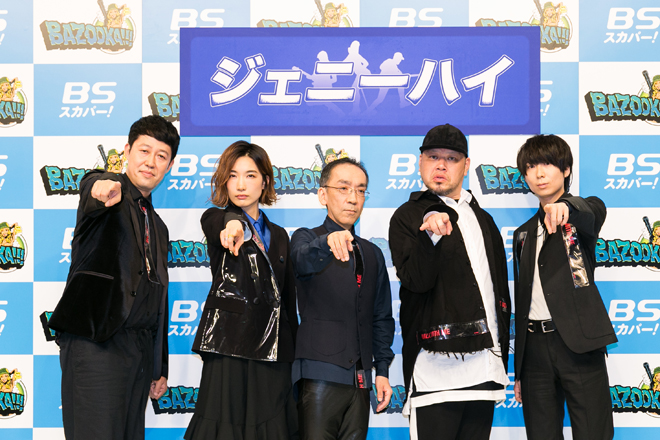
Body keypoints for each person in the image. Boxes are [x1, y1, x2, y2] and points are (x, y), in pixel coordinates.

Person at [49, 115, 179, 440]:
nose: (150, 162)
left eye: (161, 156)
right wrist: (101, 186)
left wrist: (158, 366)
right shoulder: (111, 195)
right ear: (127, 151)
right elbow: (93, 186)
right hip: (97, 346)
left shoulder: (159, 227)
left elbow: (158, 298)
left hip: (139, 354)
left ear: (170, 166)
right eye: (144, 151)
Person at [388, 124, 511, 440]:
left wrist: (504, 357)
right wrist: (429, 234)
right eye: (433, 157)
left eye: (451, 159)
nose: (441, 165)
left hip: (486, 369)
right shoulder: (407, 216)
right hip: (434, 372)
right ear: (420, 162)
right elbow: (416, 281)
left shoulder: (483, 219)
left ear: (466, 166)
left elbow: (499, 291)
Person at [185, 141, 299, 440]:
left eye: (250, 175)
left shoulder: (280, 235)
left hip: (273, 348)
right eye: (233, 176)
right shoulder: (215, 218)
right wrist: (233, 224)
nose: (240, 185)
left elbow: (287, 299)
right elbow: (220, 222)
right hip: (228, 342)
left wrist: (294, 351)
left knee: (272, 428)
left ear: (265, 181)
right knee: (223, 427)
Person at [512, 134, 617, 440]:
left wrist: (566, 206)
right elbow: (523, 300)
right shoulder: (522, 234)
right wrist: (519, 369)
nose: (539, 174)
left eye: (547, 164)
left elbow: (593, 209)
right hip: (534, 353)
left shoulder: (582, 216)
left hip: (578, 344)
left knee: (594, 433)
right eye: (530, 167)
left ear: (566, 169)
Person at [291, 157, 394, 440]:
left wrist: (381, 370)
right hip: (318, 374)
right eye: (344, 188)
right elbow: (301, 261)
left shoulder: (372, 253)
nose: (353, 198)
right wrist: (327, 242)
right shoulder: (305, 238)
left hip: (361, 380)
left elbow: (381, 317)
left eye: (360, 190)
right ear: (323, 194)